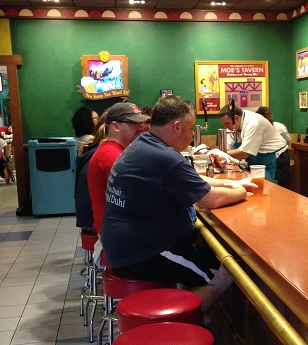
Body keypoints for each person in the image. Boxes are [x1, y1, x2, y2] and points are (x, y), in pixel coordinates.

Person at [101, 95, 255, 312]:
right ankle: (177, 326)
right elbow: (211, 199)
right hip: (143, 253)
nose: (191, 136)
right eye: (190, 129)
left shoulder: (143, 146)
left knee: (202, 259)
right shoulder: (163, 157)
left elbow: (194, 180)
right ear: (176, 126)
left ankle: (196, 318)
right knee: (224, 272)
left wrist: (232, 184)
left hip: (126, 246)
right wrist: (242, 191)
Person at [87, 102, 150, 236]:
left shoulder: (113, 151)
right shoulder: (113, 157)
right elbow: (138, 197)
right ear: (115, 126)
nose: (141, 127)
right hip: (120, 235)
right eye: (134, 123)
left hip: (114, 231)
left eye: (141, 123)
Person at [218, 105, 287, 182]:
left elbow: (245, 153)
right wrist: (222, 154)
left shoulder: (253, 123)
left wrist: (219, 154)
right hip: (256, 158)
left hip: (275, 158)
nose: (226, 127)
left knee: (274, 188)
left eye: (227, 123)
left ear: (236, 118)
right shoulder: (234, 124)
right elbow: (229, 149)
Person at [255, 106, 291, 188]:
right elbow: (288, 141)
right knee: (280, 185)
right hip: (281, 156)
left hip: (276, 158)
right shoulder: (280, 126)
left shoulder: (258, 127)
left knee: (271, 185)